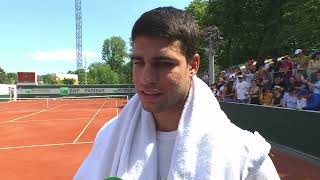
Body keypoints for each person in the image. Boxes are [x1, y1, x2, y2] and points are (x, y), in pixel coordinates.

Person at [74, 7, 280, 180]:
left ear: (193, 65)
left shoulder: (246, 158)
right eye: (138, 62)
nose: (147, 77)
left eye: (163, 63)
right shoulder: (108, 136)